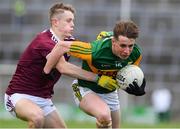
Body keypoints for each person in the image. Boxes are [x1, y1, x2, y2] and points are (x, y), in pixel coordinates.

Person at [4, 3, 118, 128]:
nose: (73, 24)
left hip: (43, 99)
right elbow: (64, 67)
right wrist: (98, 78)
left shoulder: (68, 41)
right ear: (55, 22)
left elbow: (91, 52)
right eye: (68, 21)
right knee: (37, 117)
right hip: (19, 96)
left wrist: (106, 44)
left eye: (73, 21)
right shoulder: (45, 42)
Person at [43, 20, 146, 128]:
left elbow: (128, 74)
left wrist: (138, 87)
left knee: (110, 125)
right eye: (123, 45)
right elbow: (61, 46)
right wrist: (46, 70)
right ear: (113, 41)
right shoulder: (95, 51)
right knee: (104, 115)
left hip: (110, 93)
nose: (127, 51)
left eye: (130, 46)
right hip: (85, 88)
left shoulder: (136, 54)